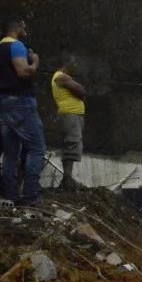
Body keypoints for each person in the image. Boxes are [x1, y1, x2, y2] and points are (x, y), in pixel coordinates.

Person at [0, 18, 44, 206]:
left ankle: (11, 195)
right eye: (24, 27)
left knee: (10, 152)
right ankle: (31, 195)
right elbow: (24, 72)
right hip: (20, 102)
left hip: (1, 104)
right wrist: (35, 62)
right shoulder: (17, 46)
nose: (26, 30)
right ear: (17, 27)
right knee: (36, 149)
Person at [51, 54, 86, 190]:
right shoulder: (61, 76)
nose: (76, 66)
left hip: (72, 115)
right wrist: (81, 93)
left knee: (71, 144)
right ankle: (67, 179)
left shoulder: (62, 77)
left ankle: (67, 179)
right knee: (72, 144)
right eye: (74, 63)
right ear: (67, 63)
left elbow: (80, 91)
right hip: (70, 115)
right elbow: (81, 90)